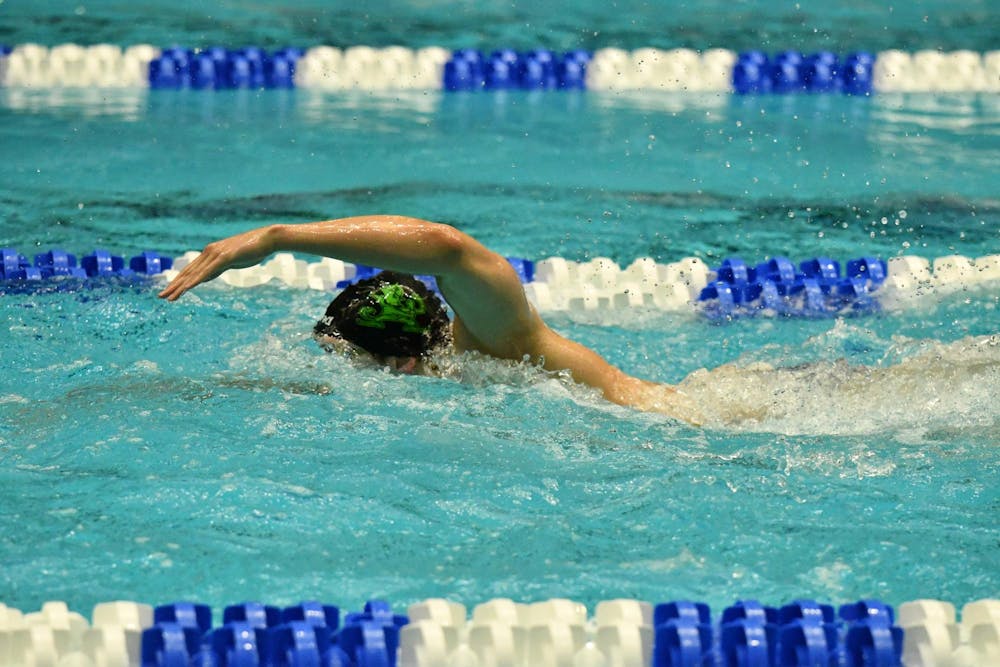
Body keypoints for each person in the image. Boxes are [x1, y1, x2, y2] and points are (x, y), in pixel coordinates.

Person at [159, 214, 705, 424]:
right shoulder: (443, 371)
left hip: (711, 420)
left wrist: (279, 238)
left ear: (401, 361)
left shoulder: (498, 343)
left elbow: (448, 248)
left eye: (352, 362)